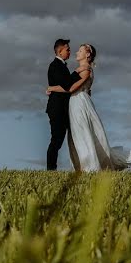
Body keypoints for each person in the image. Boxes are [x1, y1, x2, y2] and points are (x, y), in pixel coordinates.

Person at [46, 43, 131, 172]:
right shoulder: (81, 69)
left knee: (83, 133)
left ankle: (90, 166)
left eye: (80, 50)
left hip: (80, 103)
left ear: (87, 54)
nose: (76, 52)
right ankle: (82, 166)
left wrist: (51, 88)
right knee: (77, 135)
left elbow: (71, 88)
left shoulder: (86, 70)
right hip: (75, 103)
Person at [45, 38, 73, 170]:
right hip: (57, 109)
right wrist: (79, 73)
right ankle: (51, 169)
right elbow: (66, 84)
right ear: (60, 51)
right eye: (67, 49)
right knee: (56, 140)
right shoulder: (55, 66)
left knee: (61, 139)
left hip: (64, 109)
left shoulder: (61, 66)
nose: (70, 51)